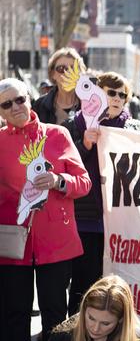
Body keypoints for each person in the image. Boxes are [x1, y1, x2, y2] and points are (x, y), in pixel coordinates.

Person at [0, 78, 91, 341]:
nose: (16, 107)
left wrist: (59, 181)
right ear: (1, 112)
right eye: (7, 104)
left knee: (55, 315)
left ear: (29, 99)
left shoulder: (57, 134)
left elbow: (84, 183)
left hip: (56, 241)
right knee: (13, 314)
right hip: (12, 240)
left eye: (20, 99)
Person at [62, 72, 140, 316]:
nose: (118, 98)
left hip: (121, 222)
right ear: (97, 93)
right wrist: (85, 146)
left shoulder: (134, 129)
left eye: (123, 95)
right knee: (82, 285)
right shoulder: (72, 126)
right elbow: (62, 167)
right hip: (86, 221)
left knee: (116, 288)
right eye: (112, 92)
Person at [50, 275, 140, 341]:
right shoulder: (63, 336)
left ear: (121, 319)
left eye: (105, 323)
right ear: (84, 310)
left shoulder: (136, 337)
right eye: (91, 318)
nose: (95, 329)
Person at [33, 47, 86, 125]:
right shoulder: (39, 105)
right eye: (61, 69)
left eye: (73, 68)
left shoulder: (90, 103)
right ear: (52, 74)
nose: (68, 73)